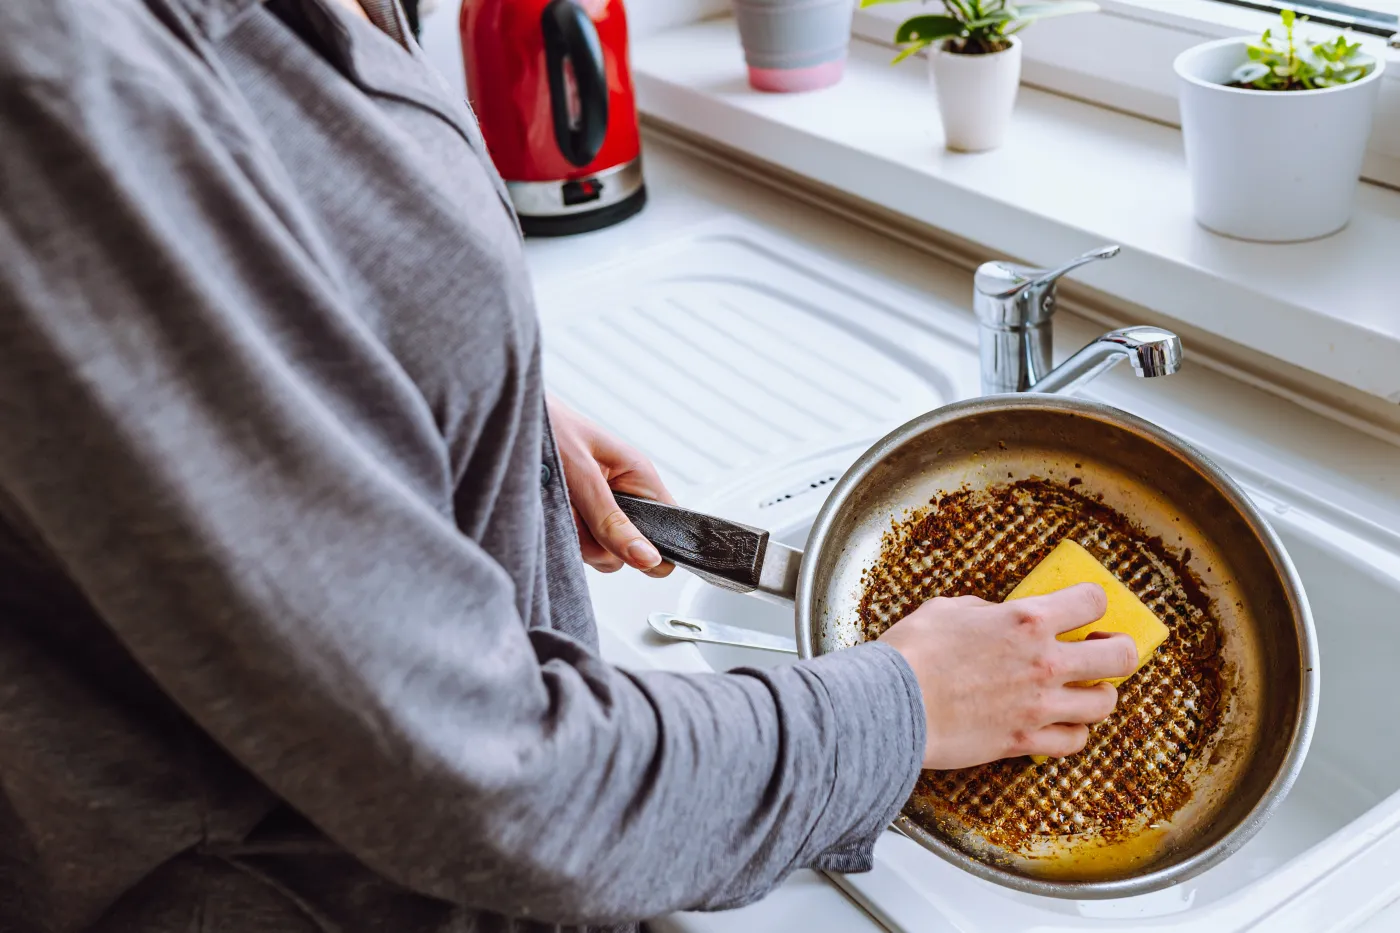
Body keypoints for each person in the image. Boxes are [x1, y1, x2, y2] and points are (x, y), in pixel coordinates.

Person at [0, 1, 1140, 931]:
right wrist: (904, 707)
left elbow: (263, 270)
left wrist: (456, 394)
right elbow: (482, 782)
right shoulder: (62, 77)